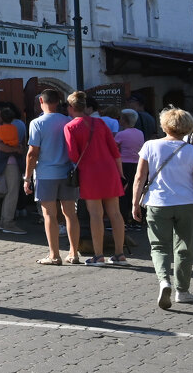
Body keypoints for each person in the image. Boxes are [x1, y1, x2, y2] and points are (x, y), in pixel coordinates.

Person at [132, 107, 193, 310]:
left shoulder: (150, 145)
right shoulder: (192, 151)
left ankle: (164, 281)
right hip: (186, 202)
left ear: (164, 125)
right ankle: (182, 291)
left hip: (157, 203)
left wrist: (135, 203)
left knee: (159, 246)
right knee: (184, 247)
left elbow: (140, 177)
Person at [65, 91, 128, 265]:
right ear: (84, 106)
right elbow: (115, 152)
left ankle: (99, 255)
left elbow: (73, 155)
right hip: (110, 171)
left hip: (89, 173)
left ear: (71, 107)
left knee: (96, 215)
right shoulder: (100, 123)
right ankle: (119, 253)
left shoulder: (70, 126)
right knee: (115, 213)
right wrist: (120, 174)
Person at [23, 89, 82, 264]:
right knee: (70, 213)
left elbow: (32, 153)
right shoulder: (68, 121)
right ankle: (74, 253)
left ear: (41, 100)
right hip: (67, 172)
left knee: (49, 214)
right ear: (59, 101)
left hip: (46, 173)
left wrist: (27, 177)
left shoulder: (37, 123)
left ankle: (54, 255)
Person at [0, 105, 26, 234]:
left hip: (8, 163)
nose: (1, 115)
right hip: (9, 164)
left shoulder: (0, 127)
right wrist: (16, 149)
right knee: (12, 193)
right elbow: (0, 146)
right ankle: (8, 223)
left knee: (10, 193)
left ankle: (4, 222)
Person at [116, 109, 146, 229]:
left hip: (124, 165)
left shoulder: (121, 134)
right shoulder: (140, 133)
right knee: (136, 191)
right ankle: (137, 220)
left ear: (124, 120)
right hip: (138, 164)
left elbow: (113, 148)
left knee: (123, 193)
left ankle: (124, 220)